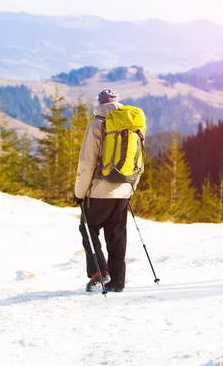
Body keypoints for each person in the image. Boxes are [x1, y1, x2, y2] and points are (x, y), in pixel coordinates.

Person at [74, 89, 140, 292]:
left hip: (100, 190)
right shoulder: (132, 124)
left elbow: (87, 162)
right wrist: (131, 188)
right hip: (125, 189)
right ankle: (118, 281)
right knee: (117, 233)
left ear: (100, 102)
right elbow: (139, 160)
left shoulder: (96, 123)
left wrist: (79, 193)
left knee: (88, 227)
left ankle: (99, 273)